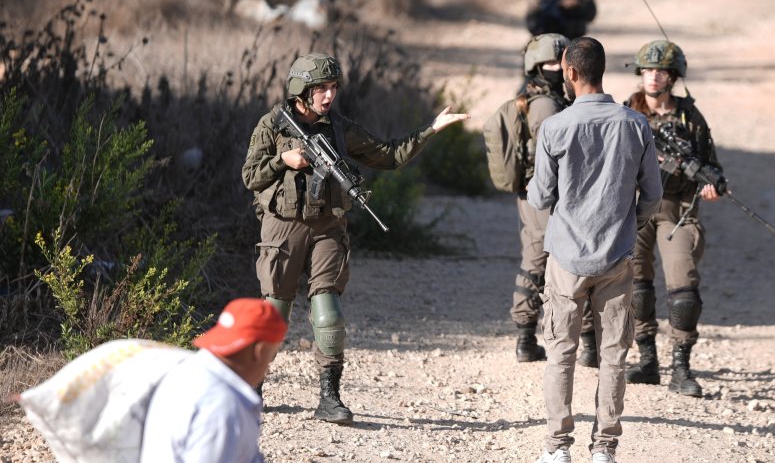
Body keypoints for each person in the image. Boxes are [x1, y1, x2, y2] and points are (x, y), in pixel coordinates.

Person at [241, 53, 468, 424]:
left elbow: (389, 155)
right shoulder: (272, 125)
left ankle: (330, 397)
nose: (329, 96)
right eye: (321, 89)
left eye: (333, 88)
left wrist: (431, 129)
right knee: (275, 312)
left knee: (328, 312)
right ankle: (251, 387)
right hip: (283, 227)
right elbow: (250, 176)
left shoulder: (339, 128)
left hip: (329, 226)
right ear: (301, 91)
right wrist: (285, 160)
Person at [527, 37, 662, 463]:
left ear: (569, 72)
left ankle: (557, 448)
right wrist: (629, 225)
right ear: (603, 71)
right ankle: (604, 449)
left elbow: (541, 197)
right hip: (618, 257)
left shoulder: (555, 127)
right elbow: (653, 196)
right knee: (614, 356)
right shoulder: (635, 124)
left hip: (567, 259)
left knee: (560, 354)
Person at [622, 40, 722, 398]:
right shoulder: (627, 112)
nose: (653, 77)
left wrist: (710, 183)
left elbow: (711, 165)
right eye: (647, 70)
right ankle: (647, 359)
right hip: (634, 210)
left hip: (677, 210)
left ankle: (681, 367)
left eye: (660, 70)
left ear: (673, 76)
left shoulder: (689, 117)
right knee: (636, 285)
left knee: (683, 288)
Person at [139, 298, 287, 463]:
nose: (267, 369)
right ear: (258, 351)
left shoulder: (186, 372)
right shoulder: (222, 408)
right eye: (270, 356)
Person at [509, 33, 570, 363]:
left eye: (560, 63)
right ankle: (525, 335)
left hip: (544, 191)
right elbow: (551, 155)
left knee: (539, 256)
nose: (556, 69)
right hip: (542, 193)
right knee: (538, 259)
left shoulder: (550, 97)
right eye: (549, 64)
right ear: (535, 66)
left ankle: (530, 336)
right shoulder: (544, 104)